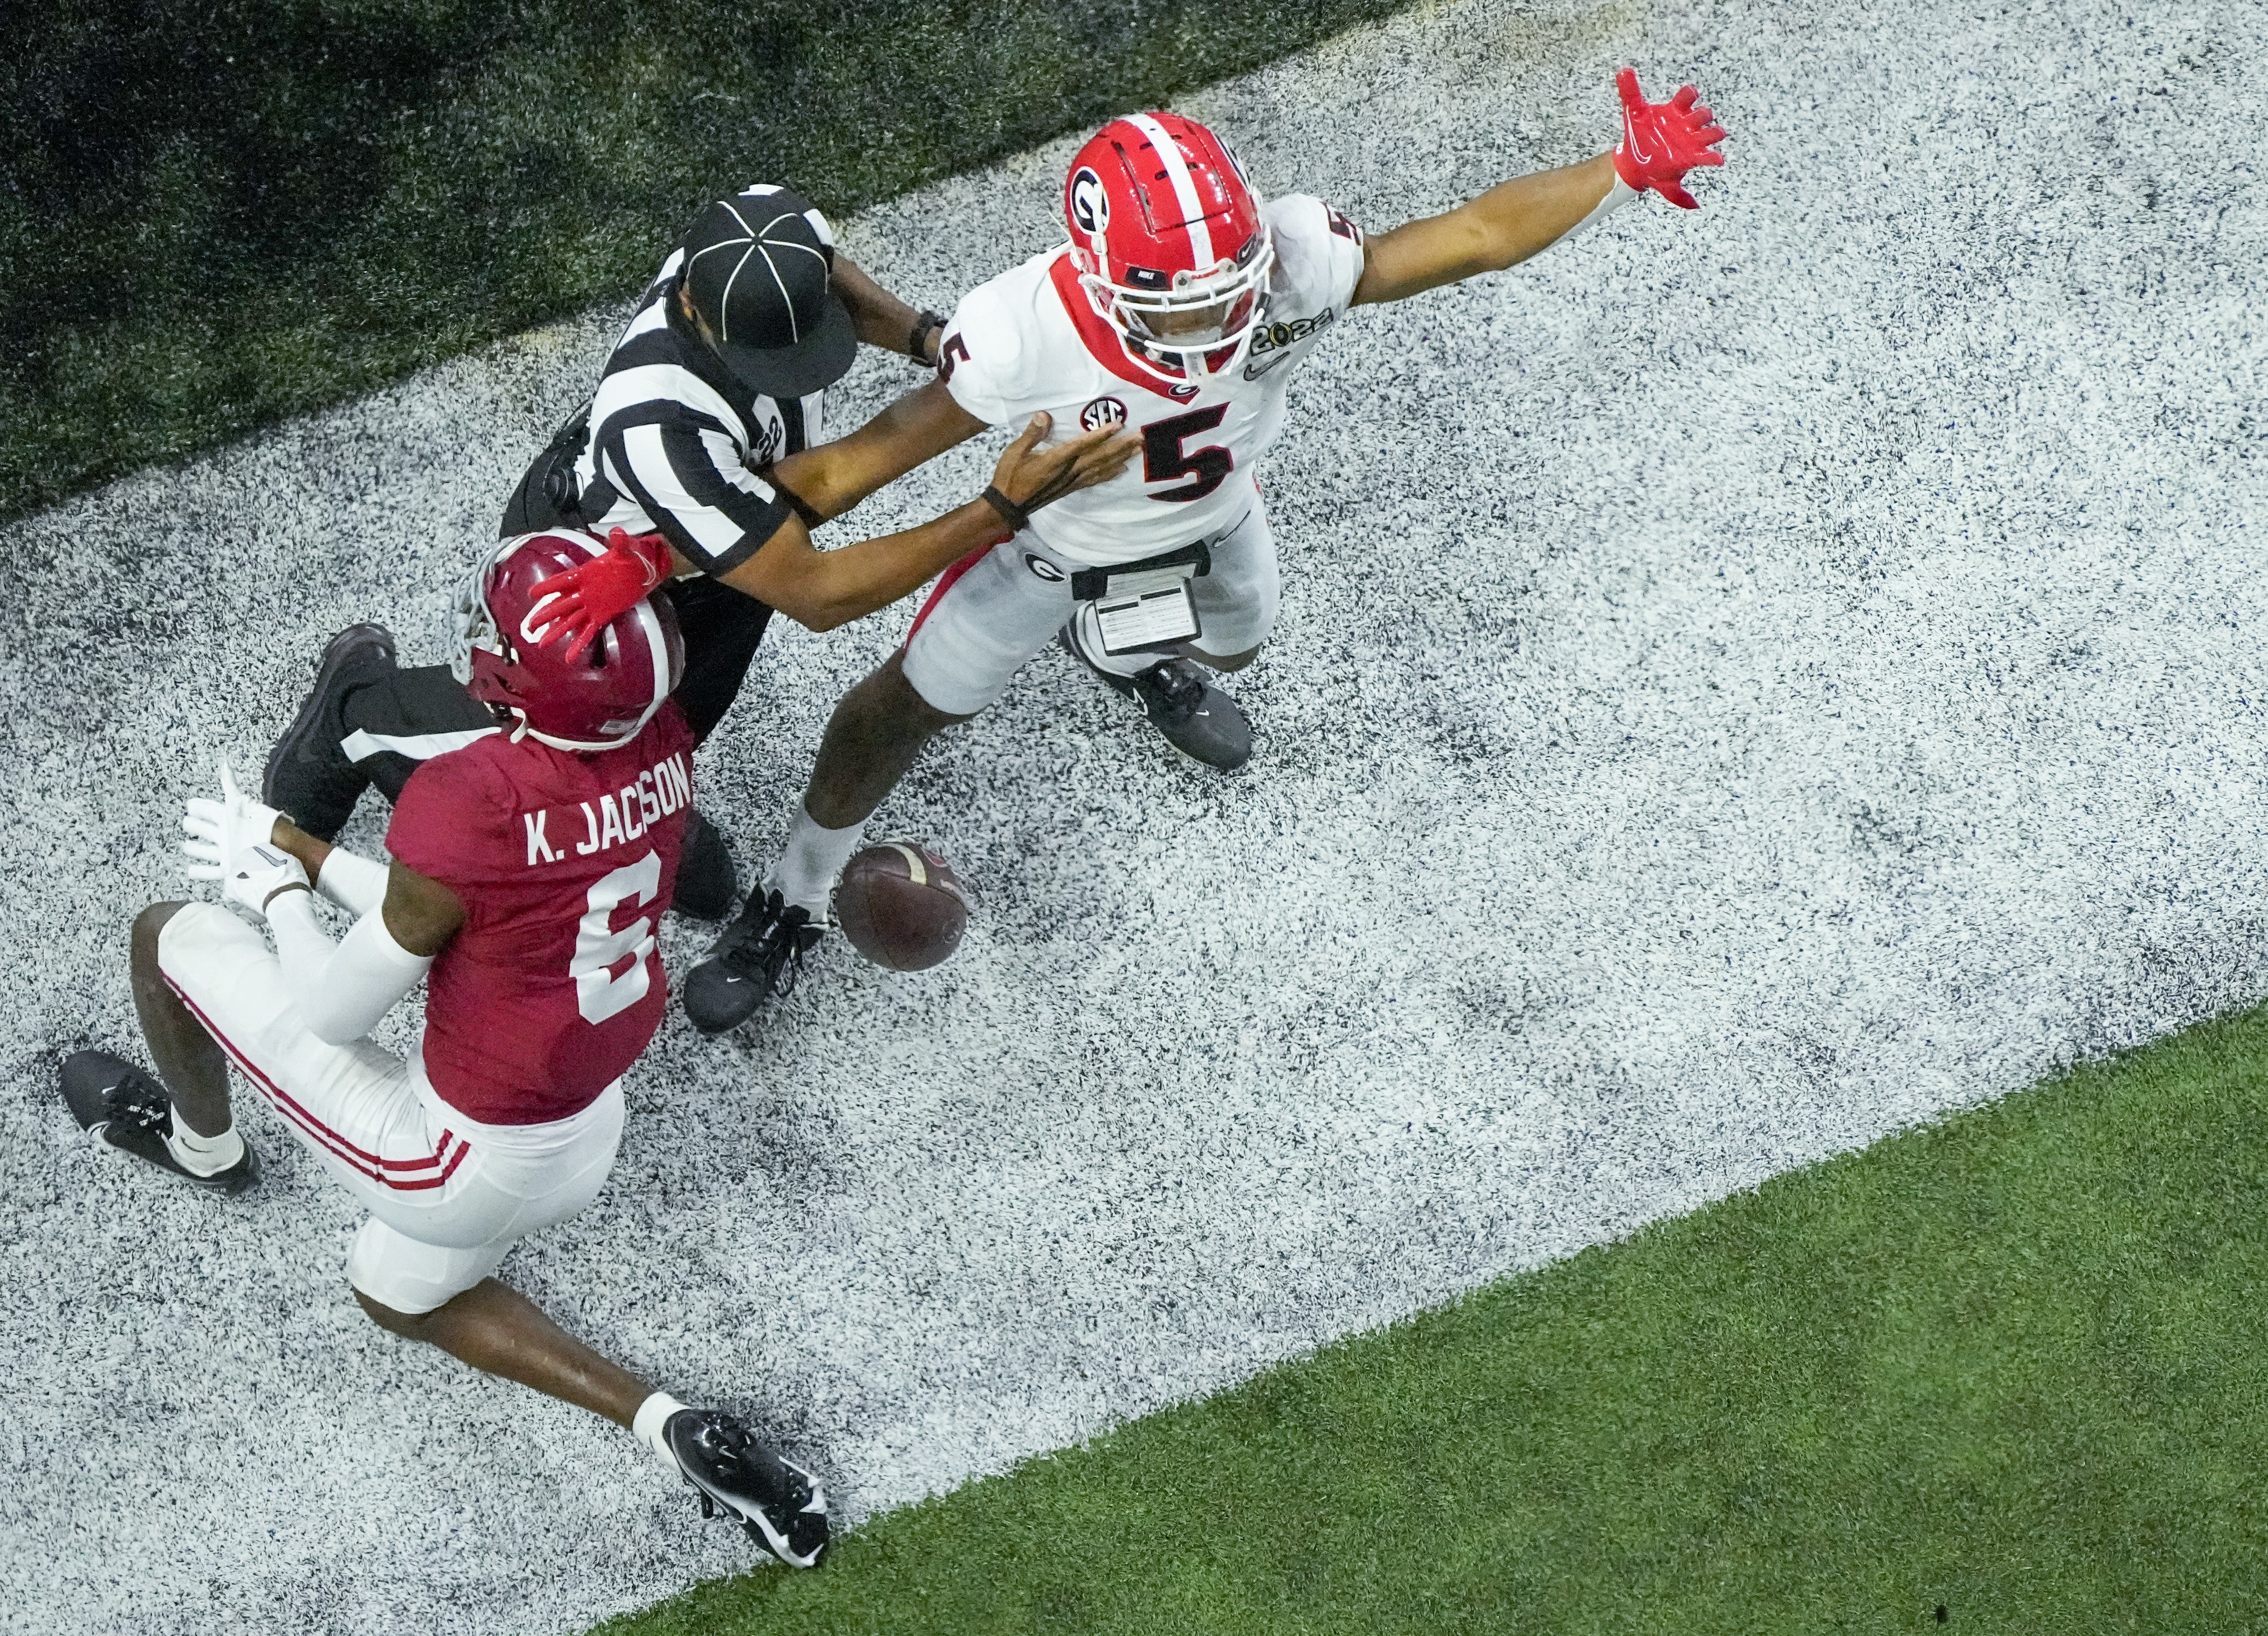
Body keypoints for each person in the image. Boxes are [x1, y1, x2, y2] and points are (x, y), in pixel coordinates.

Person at [680, 71, 1729, 1035]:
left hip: (1218, 518)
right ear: (1096, 283)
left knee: (1238, 648)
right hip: (1048, 545)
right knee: (901, 706)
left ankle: (1123, 653)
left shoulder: (1296, 259)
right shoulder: (1021, 336)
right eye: (1183, 307)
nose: (1224, 320)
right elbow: (857, 466)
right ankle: (799, 891)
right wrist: (673, 525)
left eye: (1233, 289)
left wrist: (1621, 169)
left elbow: (1477, 235)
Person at [58, 529, 831, 1566]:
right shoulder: (664, 747)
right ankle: (673, 1428)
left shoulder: (475, 795)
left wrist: (274, 888)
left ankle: (204, 1147)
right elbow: (466, 909)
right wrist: (299, 847)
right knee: (392, 1291)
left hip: (450, 1155)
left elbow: (337, 1010)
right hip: (585, 1122)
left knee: (169, 934)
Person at [262, 184, 1140, 922]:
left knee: (682, 714)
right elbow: (819, 591)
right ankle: (350, 712)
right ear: (692, 306)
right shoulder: (657, 423)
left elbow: (820, 294)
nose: (798, 364)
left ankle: (636, 790)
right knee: (519, 729)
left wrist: (930, 341)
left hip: (710, 549)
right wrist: (998, 509)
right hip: (596, 585)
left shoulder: (752, 234)